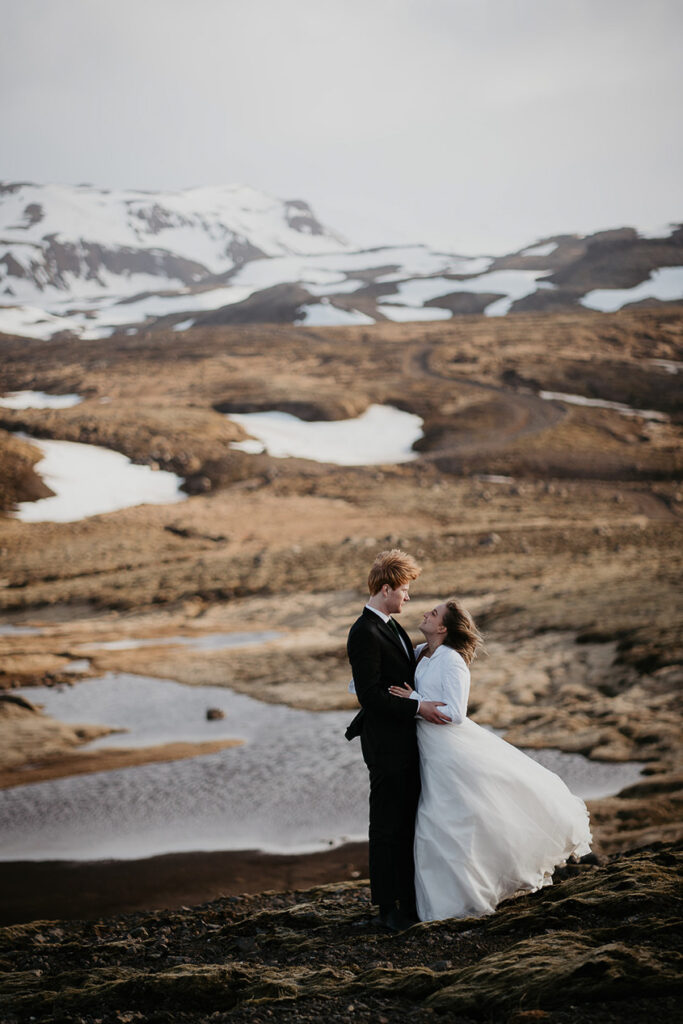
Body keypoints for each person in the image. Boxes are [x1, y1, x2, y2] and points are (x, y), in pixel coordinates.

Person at [389, 599, 592, 922]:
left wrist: (414, 700)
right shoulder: (420, 653)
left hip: (450, 751)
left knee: (450, 821)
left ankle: (458, 904)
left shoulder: (452, 661)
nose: (426, 613)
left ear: (443, 627)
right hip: (427, 748)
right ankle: (446, 902)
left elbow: (456, 714)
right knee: (437, 822)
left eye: (434, 613)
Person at [345, 550, 451, 932]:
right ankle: (386, 910)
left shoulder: (389, 625)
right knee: (386, 825)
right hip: (385, 744)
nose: (408, 597)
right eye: (404, 590)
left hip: (404, 743)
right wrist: (419, 709)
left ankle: (408, 904)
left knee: (406, 822)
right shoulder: (363, 631)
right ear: (386, 588)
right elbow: (369, 696)